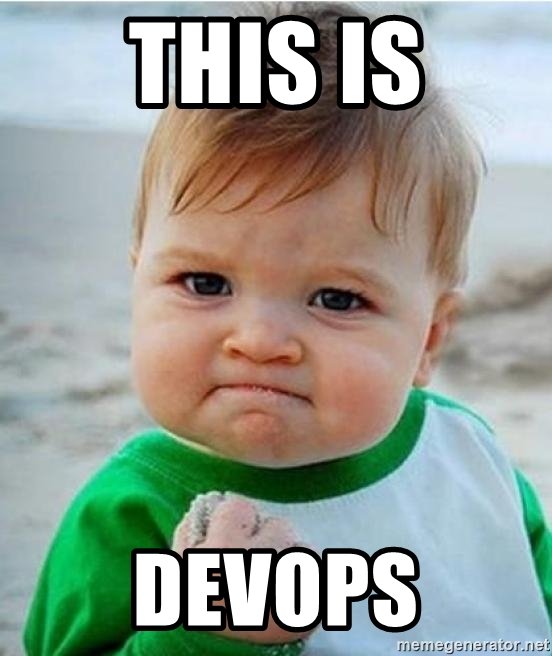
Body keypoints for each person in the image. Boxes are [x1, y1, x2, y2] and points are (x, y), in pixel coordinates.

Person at [24, 2, 552, 654]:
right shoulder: (132, 512)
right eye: (205, 283)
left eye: (337, 298)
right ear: (140, 286)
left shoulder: (469, 459)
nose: (260, 341)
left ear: (429, 340)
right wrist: (210, 636)